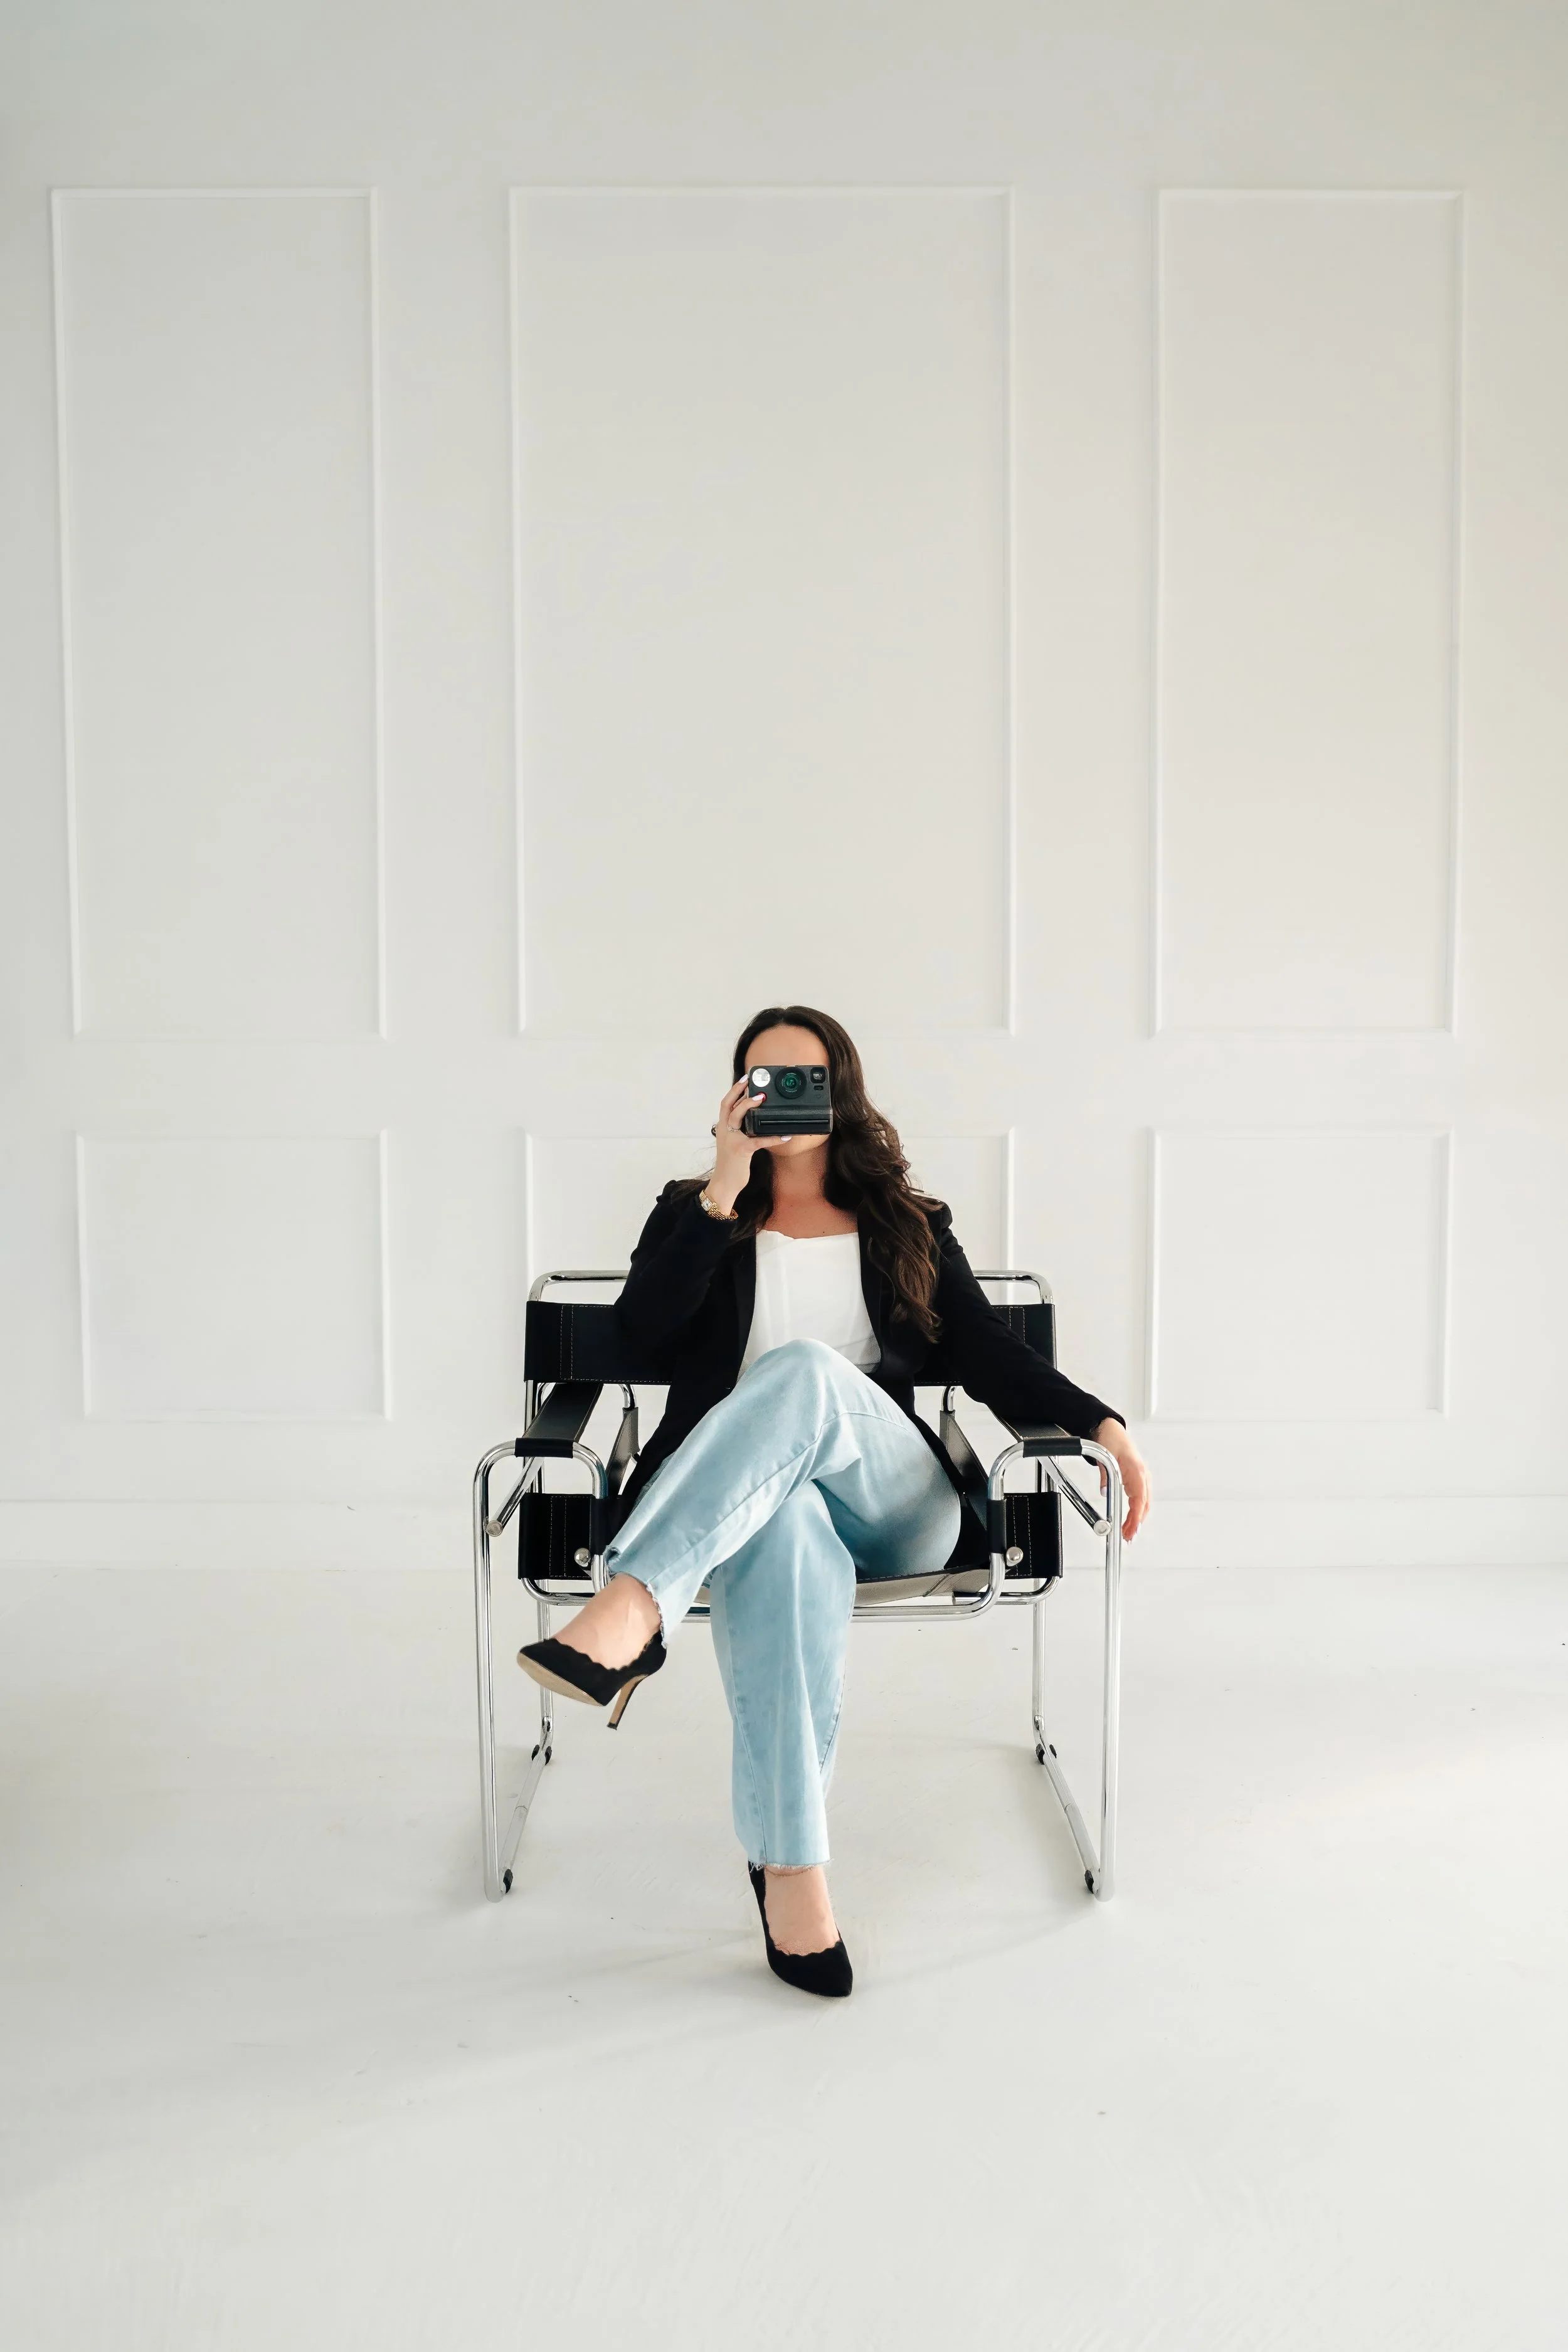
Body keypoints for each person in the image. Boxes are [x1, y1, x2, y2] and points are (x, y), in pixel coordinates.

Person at [517, 1005, 1151, 1997]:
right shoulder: (698, 1211)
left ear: (842, 1090)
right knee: (785, 1534)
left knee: (806, 1373)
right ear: (735, 1095)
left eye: (804, 1079)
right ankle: (794, 1869)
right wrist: (723, 1189)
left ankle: (635, 1603)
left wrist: (1099, 1422)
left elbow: (987, 1354)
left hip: (896, 1506)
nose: (782, 1098)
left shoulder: (908, 1222)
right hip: (745, 1510)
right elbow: (638, 1341)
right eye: (761, 1081)